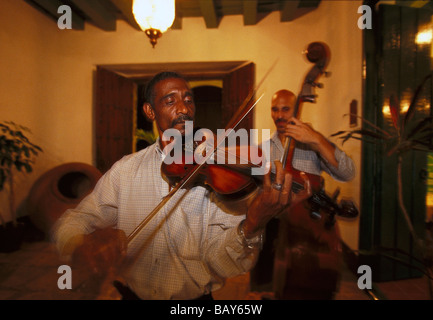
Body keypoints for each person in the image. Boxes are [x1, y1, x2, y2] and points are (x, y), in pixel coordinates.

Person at [51, 72, 310, 300]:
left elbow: (225, 263)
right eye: (170, 100)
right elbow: (77, 218)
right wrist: (79, 243)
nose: (184, 108)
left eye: (188, 99)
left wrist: (252, 224)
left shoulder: (215, 173)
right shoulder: (125, 170)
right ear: (150, 111)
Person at [249, 89, 356, 297]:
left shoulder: (312, 144)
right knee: (268, 284)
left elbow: (347, 171)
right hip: (272, 229)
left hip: (308, 232)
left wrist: (315, 138)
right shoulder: (262, 149)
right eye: (275, 109)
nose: (279, 115)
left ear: (297, 110)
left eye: (286, 109)